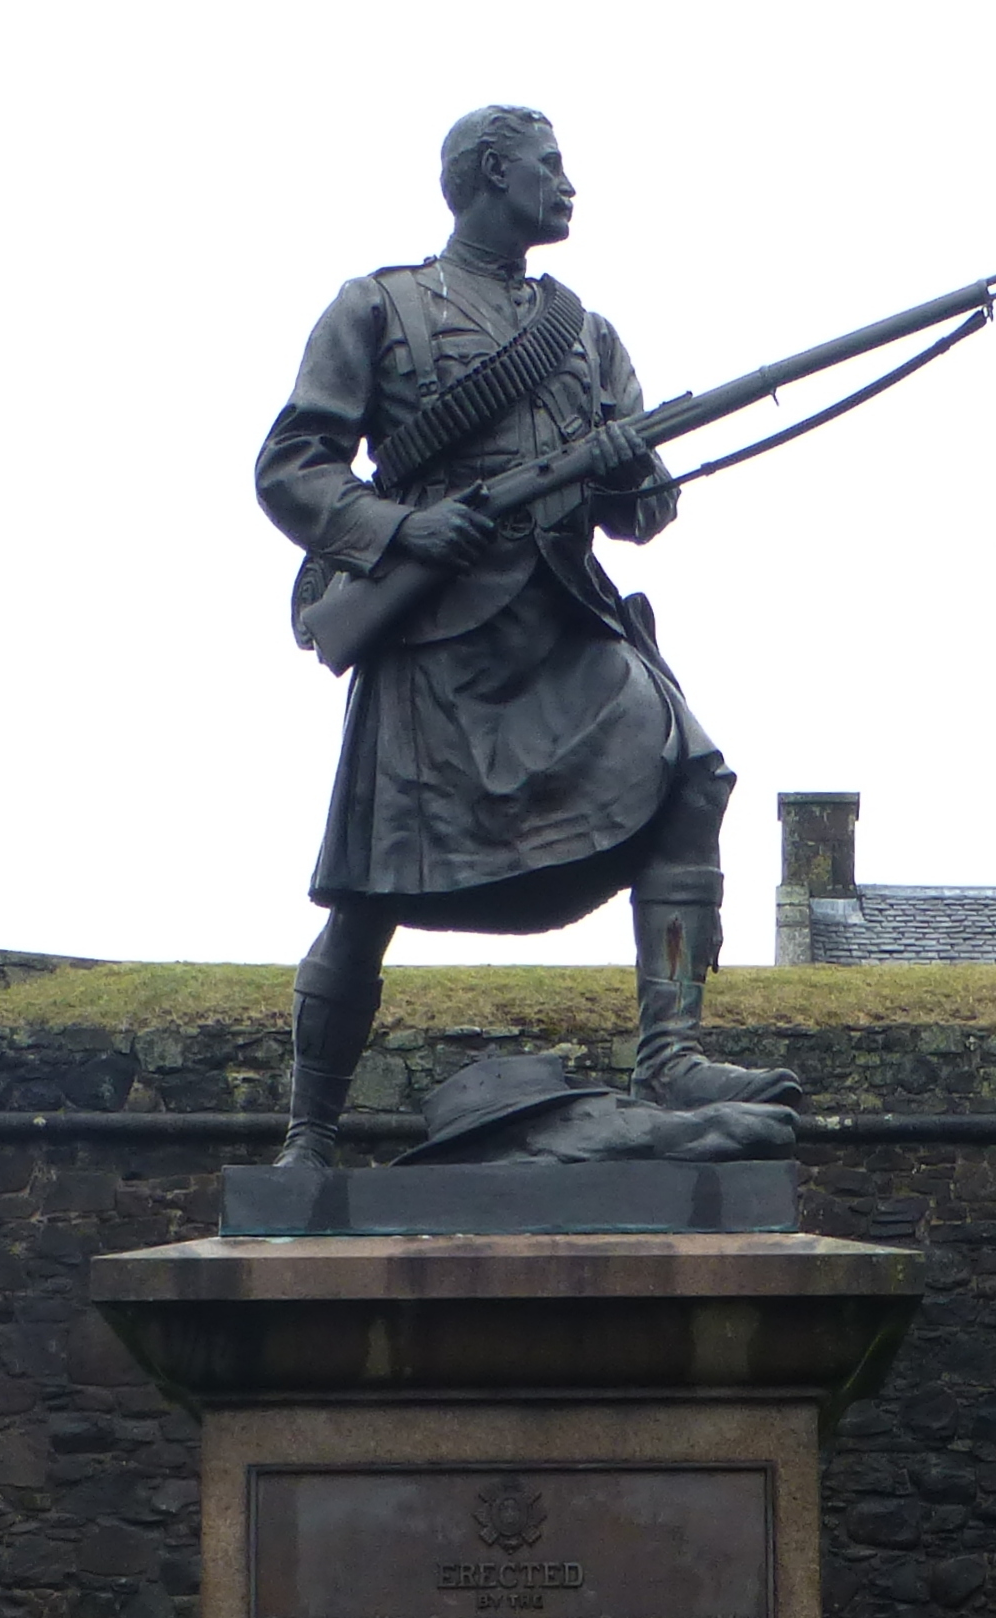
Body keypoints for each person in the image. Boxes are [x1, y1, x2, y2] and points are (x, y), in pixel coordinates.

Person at [253, 104, 801, 1169]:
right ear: (493, 172)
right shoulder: (378, 307)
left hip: (563, 626)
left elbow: (645, 511)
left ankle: (670, 1055)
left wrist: (631, 475)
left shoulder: (585, 333)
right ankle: (308, 1133)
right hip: (436, 640)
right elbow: (292, 467)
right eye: (550, 164)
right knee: (367, 897)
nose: (569, 183)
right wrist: (402, 528)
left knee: (692, 772)